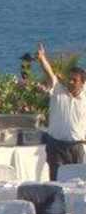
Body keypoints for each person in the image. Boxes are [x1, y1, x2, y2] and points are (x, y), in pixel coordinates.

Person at [35, 43, 86, 179]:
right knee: (56, 181)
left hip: (76, 146)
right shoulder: (57, 90)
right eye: (69, 79)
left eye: (74, 80)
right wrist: (42, 58)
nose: (70, 82)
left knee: (78, 182)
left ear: (82, 83)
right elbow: (49, 73)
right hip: (55, 145)